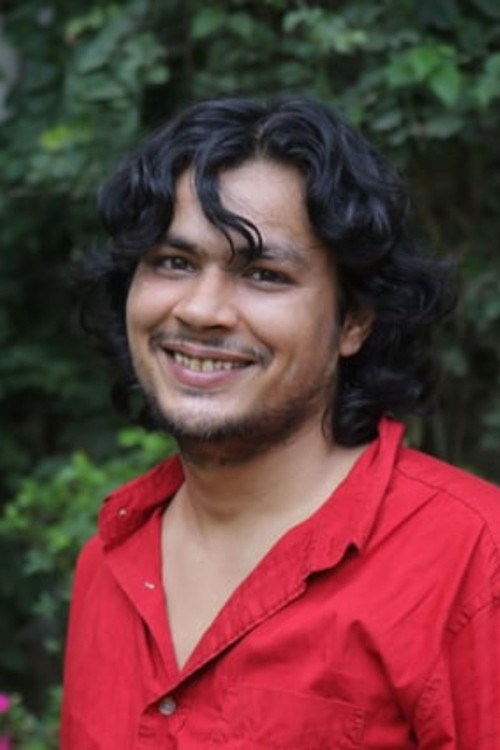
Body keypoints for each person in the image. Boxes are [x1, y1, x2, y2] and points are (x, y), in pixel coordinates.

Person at [61, 95, 500, 749]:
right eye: (174, 262)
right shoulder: (108, 562)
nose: (201, 310)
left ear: (354, 321)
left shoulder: (474, 561)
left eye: (264, 274)